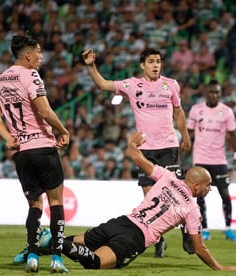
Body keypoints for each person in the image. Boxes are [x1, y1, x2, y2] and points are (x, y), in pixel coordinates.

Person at [61, 131, 236, 271]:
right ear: (196, 186)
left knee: (79, 240)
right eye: (208, 185)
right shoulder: (192, 208)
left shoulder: (168, 176)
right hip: (135, 238)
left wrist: (132, 143)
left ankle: (45, 244)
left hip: (124, 221)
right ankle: (56, 242)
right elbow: (199, 247)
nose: (210, 189)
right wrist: (219, 267)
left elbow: (138, 159)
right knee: (96, 262)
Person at [81, 47, 192, 257]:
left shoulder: (171, 85)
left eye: (158, 61)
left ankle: (187, 229)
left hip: (168, 146)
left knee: (177, 193)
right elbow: (102, 84)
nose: (155, 65)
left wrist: (185, 136)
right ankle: (159, 239)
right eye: (151, 61)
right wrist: (91, 66)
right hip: (145, 150)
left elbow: (178, 111)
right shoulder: (132, 85)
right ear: (143, 65)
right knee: (150, 199)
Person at [0, 35, 70, 273]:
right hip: (43, 146)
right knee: (56, 202)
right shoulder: (30, 75)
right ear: (27, 55)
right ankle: (56, 258)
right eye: (38, 52)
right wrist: (62, 129)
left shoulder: (0, 80)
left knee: (34, 204)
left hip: (21, 153)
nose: (41, 57)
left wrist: (9, 138)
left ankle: (32, 255)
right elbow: (44, 110)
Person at [186, 79, 236, 242]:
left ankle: (229, 228)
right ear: (206, 93)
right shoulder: (196, 110)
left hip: (219, 159)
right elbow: (188, 133)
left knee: (225, 193)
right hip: (201, 158)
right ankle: (204, 229)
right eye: (211, 92)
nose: (214, 95)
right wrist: (182, 152)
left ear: (220, 94)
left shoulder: (226, 112)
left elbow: (233, 134)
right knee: (200, 196)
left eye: (217, 92)